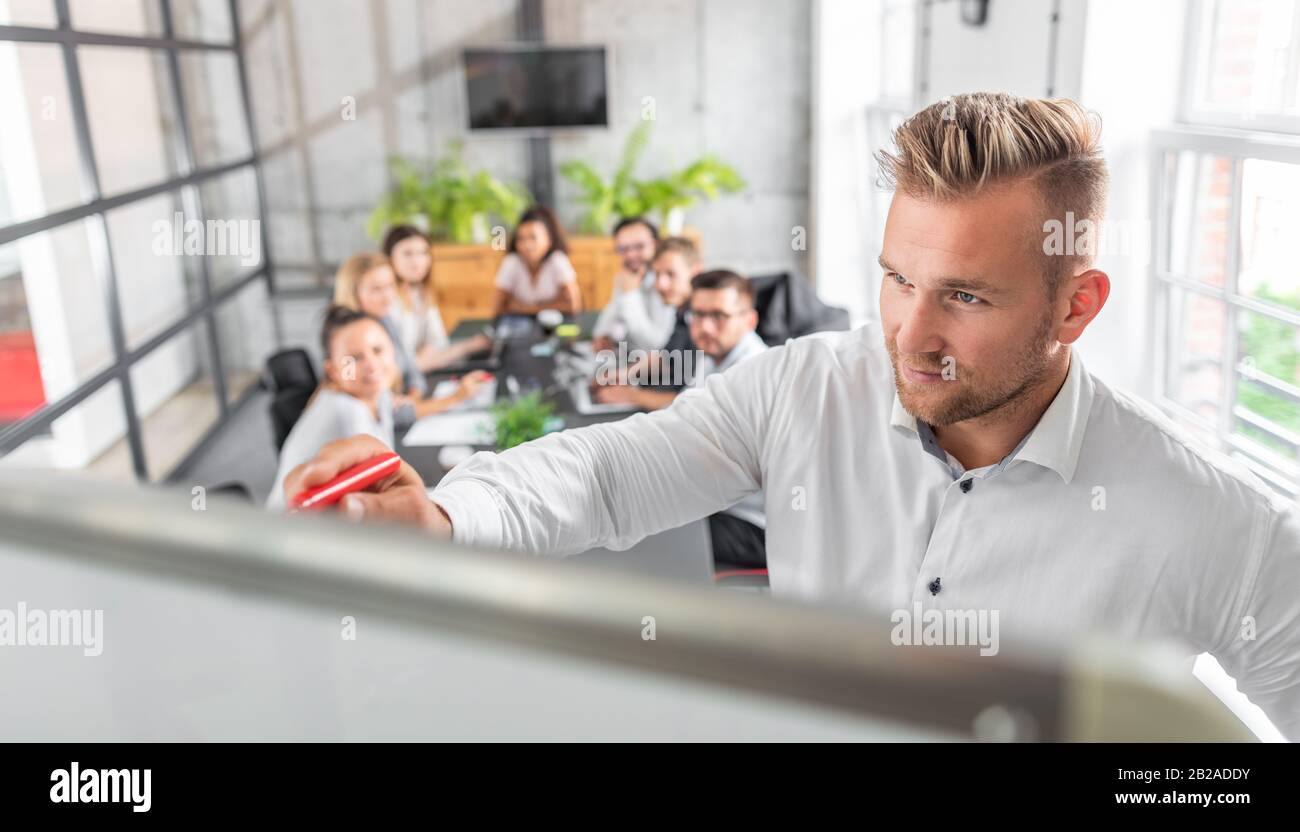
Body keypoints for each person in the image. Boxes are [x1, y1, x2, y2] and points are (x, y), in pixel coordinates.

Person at [285, 93, 1300, 739]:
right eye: (897, 279)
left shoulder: (1207, 519)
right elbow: (607, 473)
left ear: (1075, 305)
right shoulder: (807, 386)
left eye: (967, 297)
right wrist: (449, 515)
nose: (909, 332)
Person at [597, 270, 769, 569]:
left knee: (641, 534)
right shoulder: (713, 355)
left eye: (718, 316)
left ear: (749, 320)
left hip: (753, 524)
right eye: (697, 315)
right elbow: (682, 419)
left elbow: (705, 458)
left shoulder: (754, 372)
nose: (705, 327)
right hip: (719, 501)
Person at [332, 253, 488, 421]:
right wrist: (455, 398)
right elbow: (383, 415)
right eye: (376, 289)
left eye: (391, 286)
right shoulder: (348, 340)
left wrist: (412, 398)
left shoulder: (384, 319)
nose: (388, 297)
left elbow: (412, 372)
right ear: (353, 292)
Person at [381, 225, 492, 371]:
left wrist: (428, 354)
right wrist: (466, 347)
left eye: (423, 253)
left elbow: (438, 341)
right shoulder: (387, 302)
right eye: (408, 254)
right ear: (390, 259)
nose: (417, 261)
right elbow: (404, 367)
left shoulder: (421, 292)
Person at [591, 217, 676, 353]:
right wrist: (602, 334)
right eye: (623, 248)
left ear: (656, 244)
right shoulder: (627, 275)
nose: (631, 255)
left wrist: (629, 295)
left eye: (639, 246)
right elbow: (611, 313)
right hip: (624, 356)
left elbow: (657, 346)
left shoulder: (665, 283)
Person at [492, 205, 580, 316]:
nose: (527, 245)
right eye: (521, 239)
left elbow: (573, 305)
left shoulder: (557, 260)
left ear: (549, 240)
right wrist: (552, 305)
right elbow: (498, 308)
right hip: (518, 326)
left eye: (533, 237)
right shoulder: (511, 262)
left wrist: (526, 308)